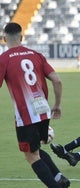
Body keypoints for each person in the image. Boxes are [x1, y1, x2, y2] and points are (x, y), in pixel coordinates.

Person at [0, 22, 70, 187]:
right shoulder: (36, 55)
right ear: (22, 37)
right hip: (43, 109)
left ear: (4, 39)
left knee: (30, 155)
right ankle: (60, 178)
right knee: (35, 149)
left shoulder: (3, 59)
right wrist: (57, 105)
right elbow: (57, 81)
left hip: (26, 113)